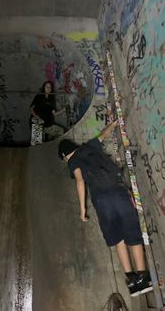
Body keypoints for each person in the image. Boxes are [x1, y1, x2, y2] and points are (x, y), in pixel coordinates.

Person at [58, 120, 153, 297]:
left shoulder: (72, 161)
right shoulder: (89, 147)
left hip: (101, 202)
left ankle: (131, 280)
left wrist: (82, 209)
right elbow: (103, 134)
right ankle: (143, 277)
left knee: (117, 238)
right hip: (118, 192)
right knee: (132, 233)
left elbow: (80, 181)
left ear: (65, 156)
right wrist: (114, 123)